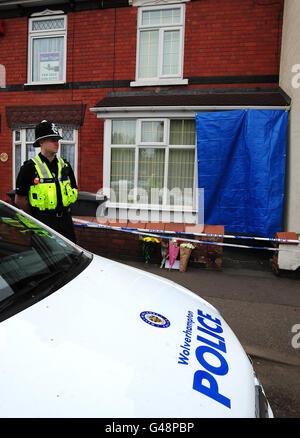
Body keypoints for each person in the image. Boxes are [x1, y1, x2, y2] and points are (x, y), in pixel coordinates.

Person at [15, 120, 78, 243]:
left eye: (57, 140)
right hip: (42, 221)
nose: (57, 143)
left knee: (72, 256)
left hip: (65, 221)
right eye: (52, 139)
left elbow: (74, 188)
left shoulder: (65, 165)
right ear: (41, 142)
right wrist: (36, 217)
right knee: (48, 258)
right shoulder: (29, 168)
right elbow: (20, 199)